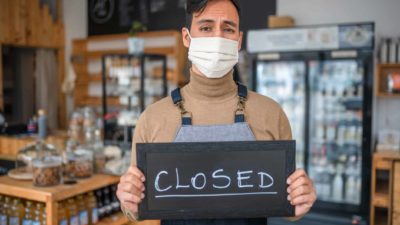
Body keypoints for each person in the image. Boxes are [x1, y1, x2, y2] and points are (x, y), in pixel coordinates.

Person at [117, 0, 317, 224]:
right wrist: (129, 201)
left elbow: (288, 202)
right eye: (206, 28)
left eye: (228, 28)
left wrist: (300, 201)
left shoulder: (270, 113)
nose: (217, 38)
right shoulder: (152, 118)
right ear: (186, 37)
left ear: (238, 40)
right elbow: (135, 208)